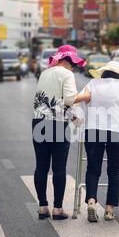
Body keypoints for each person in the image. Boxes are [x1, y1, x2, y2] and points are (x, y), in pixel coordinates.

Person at [78, 61, 119, 222]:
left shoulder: (93, 83)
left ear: (104, 72)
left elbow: (81, 101)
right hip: (116, 131)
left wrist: (79, 119)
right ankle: (109, 209)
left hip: (93, 129)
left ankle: (91, 201)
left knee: (93, 167)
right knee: (114, 170)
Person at [32, 45, 91, 221]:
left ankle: (43, 207)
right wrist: (86, 96)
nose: (73, 67)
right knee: (59, 167)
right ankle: (57, 209)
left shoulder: (45, 73)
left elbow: (51, 100)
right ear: (66, 60)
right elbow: (70, 99)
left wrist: (70, 115)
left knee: (41, 166)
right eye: (73, 63)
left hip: (38, 122)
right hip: (57, 125)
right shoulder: (67, 74)